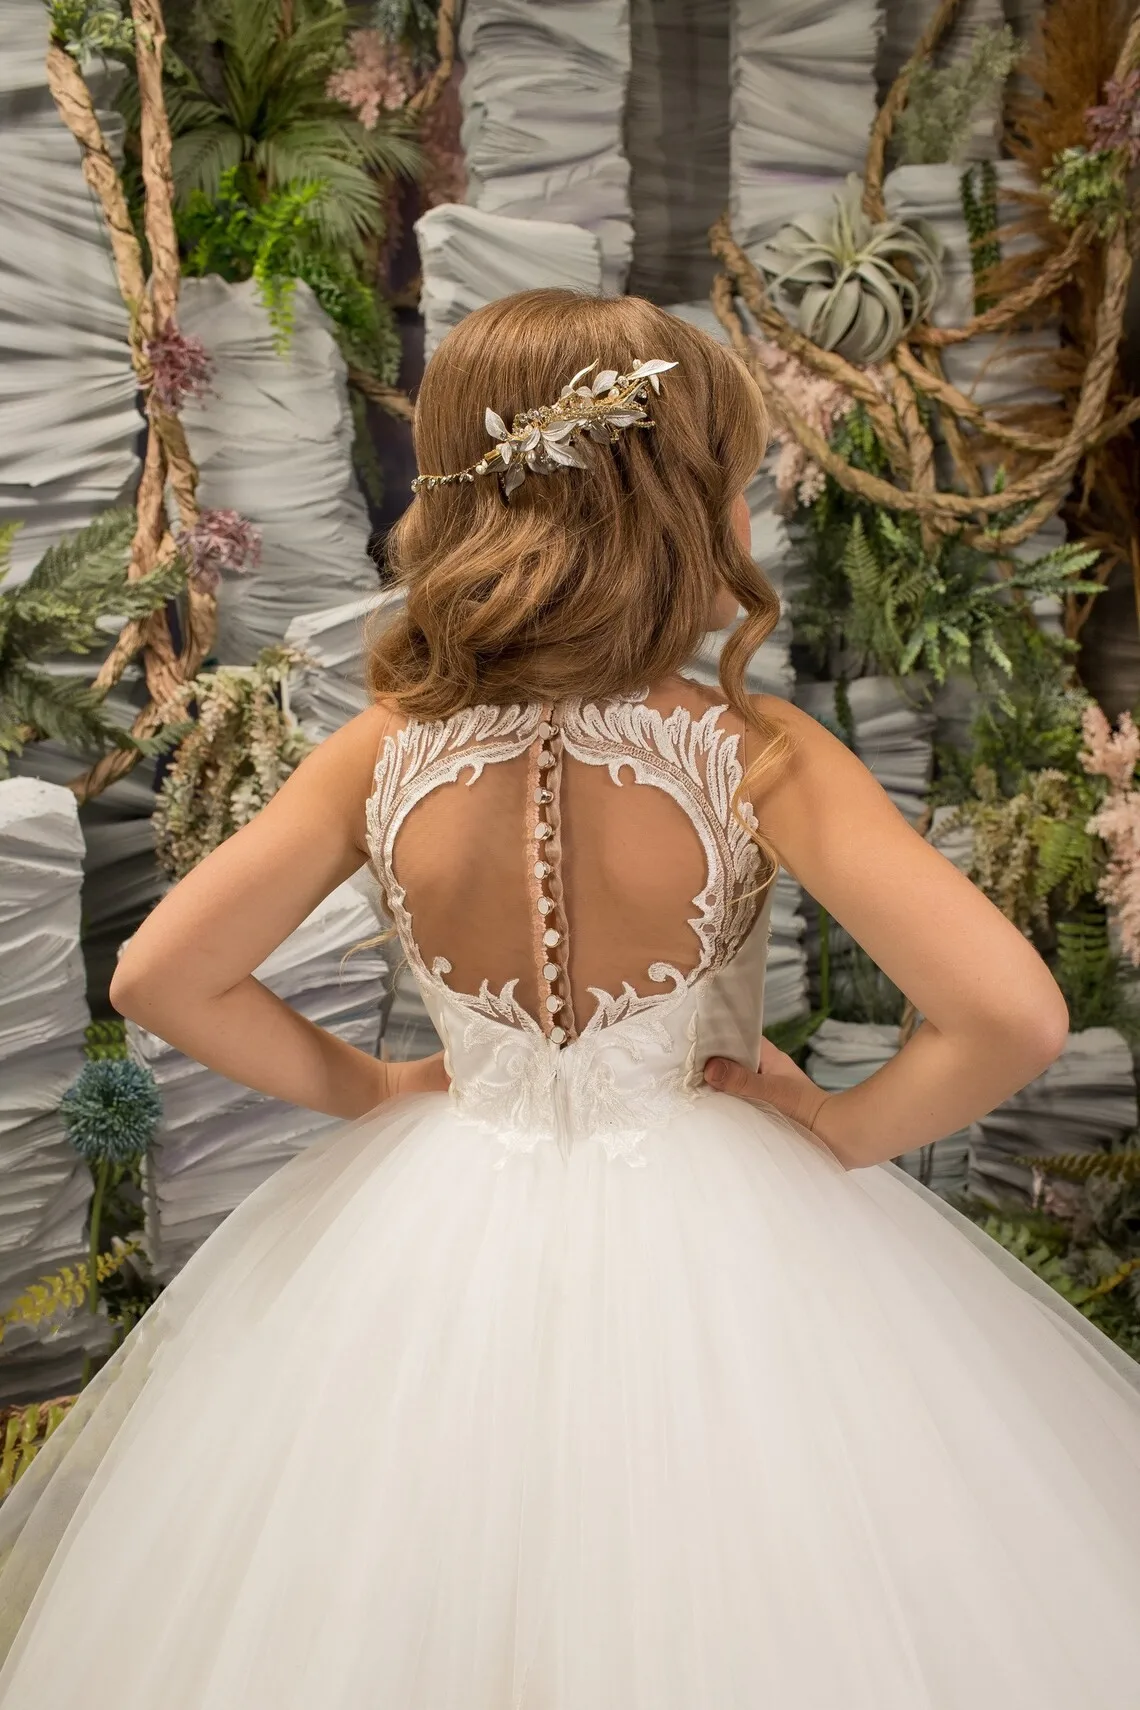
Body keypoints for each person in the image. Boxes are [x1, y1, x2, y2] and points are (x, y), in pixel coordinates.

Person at [1, 289, 1138, 1708]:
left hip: (434, 1225)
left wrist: (378, 1088)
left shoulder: (384, 751)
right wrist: (839, 1130)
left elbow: (159, 972)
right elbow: (1014, 1016)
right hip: (726, 1227)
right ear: (678, 509)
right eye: (730, 485)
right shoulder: (755, 757)